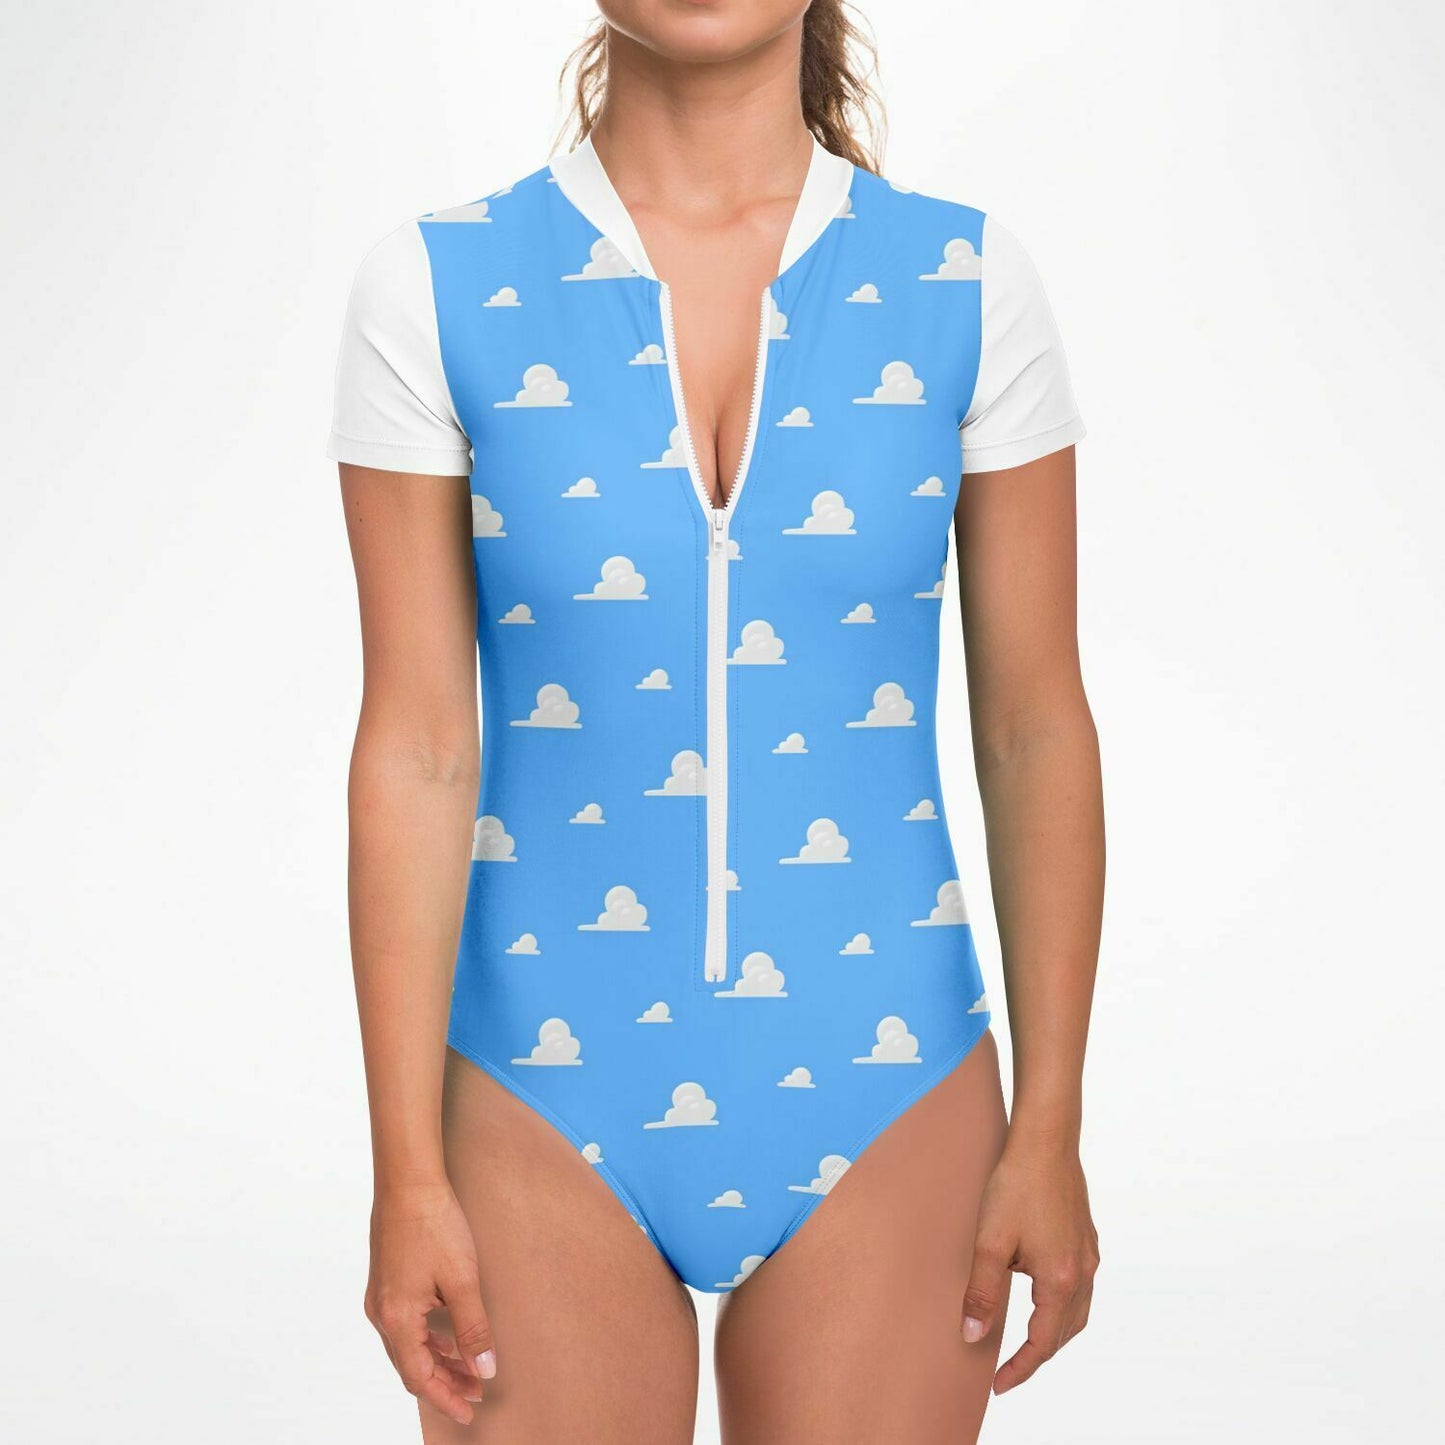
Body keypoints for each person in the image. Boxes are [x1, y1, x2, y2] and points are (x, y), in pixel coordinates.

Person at [325, 3, 1103, 1440]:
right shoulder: (438, 283)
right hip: (535, 1093)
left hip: (892, 1084)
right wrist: (403, 1172)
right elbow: (418, 748)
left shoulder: (963, 282)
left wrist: (1049, 1123)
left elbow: (1032, 725)